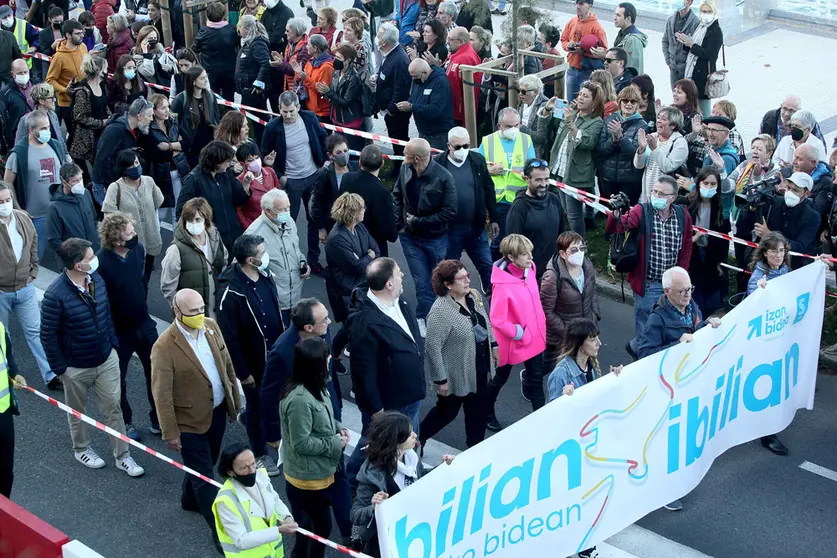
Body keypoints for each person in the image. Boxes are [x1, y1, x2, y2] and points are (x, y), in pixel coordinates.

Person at [41, 238, 145, 477]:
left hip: (106, 358)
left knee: (113, 408)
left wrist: (113, 345)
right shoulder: (55, 295)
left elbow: (105, 314)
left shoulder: (96, 280)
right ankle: (82, 449)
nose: (95, 259)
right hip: (75, 366)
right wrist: (61, 368)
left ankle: (123, 456)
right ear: (78, 265)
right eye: (90, 257)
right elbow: (48, 335)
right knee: (77, 412)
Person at [151, 288, 241, 549]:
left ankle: (188, 498)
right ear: (176, 312)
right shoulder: (164, 347)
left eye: (201, 309)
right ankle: (221, 533)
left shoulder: (211, 327)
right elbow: (162, 394)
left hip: (217, 412)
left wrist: (234, 402)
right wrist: (171, 432)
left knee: (207, 461)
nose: (199, 315)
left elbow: (226, 365)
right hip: (189, 422)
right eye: (193, 312)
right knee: (205, 479)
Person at [345, 258, 425, 484]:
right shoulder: (364, 321)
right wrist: (376, 409)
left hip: (410, 395)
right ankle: (353, 480)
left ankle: (407, 476)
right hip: (389, 403)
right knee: (373, 445)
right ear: (389, 283)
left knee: (407, 443)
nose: (403, 277)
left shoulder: (401, 302)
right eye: (399, 273)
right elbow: (363, 370)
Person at [217, 234, 284, 476]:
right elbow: (230, 337)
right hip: (253, 363)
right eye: (262, 252)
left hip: (274, 355)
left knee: (273, 401)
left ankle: (268, 433)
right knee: (257, 405)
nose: (266, 256)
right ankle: (259, 453)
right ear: (249, 259)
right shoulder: (230, 292)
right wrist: (242, 372)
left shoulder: (265, 275)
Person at [606, 175, 693, 358]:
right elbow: (624, 225)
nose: (656, 195)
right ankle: (642, 360)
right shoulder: (642, 210)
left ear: (673, 198)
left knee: (670, 325)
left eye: (661, 193)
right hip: (650, 283)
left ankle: (651, 354)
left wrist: (681, 273)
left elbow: (686, 245)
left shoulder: (682, 215)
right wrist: (616, 214)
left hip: (672, 285)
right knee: (646, 329)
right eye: (654, 191)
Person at [279, 336, 350, 558]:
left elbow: (323, 417)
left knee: (308, 526)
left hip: (322, 470)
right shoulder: (299, 400)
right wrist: (335, 443)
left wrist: (337, 427)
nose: (330, 359)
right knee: (320, 529)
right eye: (326, 357)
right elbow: (301, 443)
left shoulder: (316, 385)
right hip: (308, 478)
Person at [96, 212, 160, 440]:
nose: (135, 236)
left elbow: (141, 282)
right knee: (118, 380)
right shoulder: (101, 262)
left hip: (144, 324)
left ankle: (158, 419)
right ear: (116, 239)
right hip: (119, 332)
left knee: (156, 374)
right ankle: (127, 422)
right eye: (130, 233)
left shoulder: (138, 250)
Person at [352, 413, 453, 556]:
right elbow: (356, 514)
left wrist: (442, 467)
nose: (415, 435)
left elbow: (420, 478)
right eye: (409, 434)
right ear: (396, 441)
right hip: (385, 542)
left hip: (414, 532)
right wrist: (374, 507)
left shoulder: (411, 457)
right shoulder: (372, 474)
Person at [419, 260, 494, 448]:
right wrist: (440, 379)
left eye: (467, 275)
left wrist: (494, 346)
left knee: (478, 413)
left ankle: (475, 450)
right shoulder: (440, 311)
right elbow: (432, 346)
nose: (468, 280)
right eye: (462, 278)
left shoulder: (474, 295)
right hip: (455, 374)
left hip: (479, 367)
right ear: (448, 284)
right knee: (446, 413)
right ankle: (418, 439)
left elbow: (486, 320)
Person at [393, 138, 457, 333]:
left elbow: (450, 212)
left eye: (406, 154)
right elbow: (397, 194)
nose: (403, 157)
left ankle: (440, 316)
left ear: (417, 158)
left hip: (435, 239)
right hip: (410, 238)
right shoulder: (405, 170)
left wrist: (418, 222)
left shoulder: (444, 177)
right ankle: (426, 318)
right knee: (421, 282)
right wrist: (401, 224)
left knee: (437, 280)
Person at [261, 91, 327, 272]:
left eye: (291, 111)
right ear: (279, 110)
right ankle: (288, 260)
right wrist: (280, 174)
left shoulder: (309, 119)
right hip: (291, 182)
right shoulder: (273, 128)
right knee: (287, 222)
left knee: (313, 219)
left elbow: (322, 137)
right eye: (284, 112)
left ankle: (313, 260)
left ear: (298, 107)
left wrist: (324, 160)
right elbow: (265, 152)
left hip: (313, 176)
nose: (288, 116)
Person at [486, 234, 546, 429]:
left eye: (530, 253)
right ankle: (486, 412)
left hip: (534, 337)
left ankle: (542, 422)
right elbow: (497, 319)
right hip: (513, 341)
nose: (530, 258)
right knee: (500, 378)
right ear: (511, 257)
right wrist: (520, 333)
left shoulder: (530, 269)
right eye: (524, 254)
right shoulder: (502, 287)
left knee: (536, 381)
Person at [0, 183, 56, 389]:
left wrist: (33, 270)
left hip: (25, 287)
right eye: (0, 202)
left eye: (7, 200)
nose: (5, 205)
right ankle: (7, 374)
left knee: (36, 331)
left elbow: (33, 243)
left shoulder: (22, 218)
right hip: (1, 291)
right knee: (2, 336)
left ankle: (50, 374)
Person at [537, 81, 605, 236]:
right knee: (567, 210)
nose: (580, 98)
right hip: (559, 169)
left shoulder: (596, 122)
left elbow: (587, 142)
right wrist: (548, 108)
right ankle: (571, 242)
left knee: (573, 214)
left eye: (586, 96)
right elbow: (545, 123)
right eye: (580, 94)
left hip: (575, 174)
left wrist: (570, 122)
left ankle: (580, 246)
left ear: (594, 102)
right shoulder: (571, 112)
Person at [744, 232, 792, 455]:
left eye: (782, 251)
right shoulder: (759, 276)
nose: (779, 255)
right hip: (763, 341)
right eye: (774, 251)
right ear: (765, 252)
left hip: (780, 337)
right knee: (766, 384)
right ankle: (767, 433)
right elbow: (753, 301)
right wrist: (760, 294)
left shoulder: (785, 271)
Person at [433, 127, 496, 292]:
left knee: (487, 266)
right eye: (458, 147)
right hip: (450, 230)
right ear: (449, 146)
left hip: (475, 227)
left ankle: (492, 301)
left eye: (466, 146)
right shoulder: (438, 164)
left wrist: (494, 218)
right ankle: (452, 302)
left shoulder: (477, 160)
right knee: (450, 271)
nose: (463, 151)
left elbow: (488, 189)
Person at [212, 443, 298, 557]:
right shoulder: (225, 501)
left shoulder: (261, 477)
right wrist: (278, 530)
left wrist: (286, 517)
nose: (252, 470)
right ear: (230, 472)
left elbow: (275, 500)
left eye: (253, 464)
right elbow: (241, 540)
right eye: (244, 468)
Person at [4, 110, 69, 259]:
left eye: (48, 127)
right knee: (34, 255)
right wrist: (19, 210)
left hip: (58, 210)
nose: (47, 131)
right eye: (43, 128)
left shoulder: (56, 146)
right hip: (35, 216)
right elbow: (7, 185)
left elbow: (65, 172)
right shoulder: (18, 154)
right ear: (31, 130)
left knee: (65, 254)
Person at [478, 107, 536, 260]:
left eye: (516, 125)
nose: (513, 129)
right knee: (501, 242)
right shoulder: (488, 141)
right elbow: (477, 167)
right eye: (508, 126)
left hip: (520, 198)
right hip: (499, 200)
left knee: (519, 242)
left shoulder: (526, 139)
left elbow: (531, 165)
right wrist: (490, 171)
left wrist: (528, 174)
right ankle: (494, 275)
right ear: (499, 126)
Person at [244, 189, 309, 329]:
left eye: (288, 207)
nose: (287, 212)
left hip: (295, 298)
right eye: (282, 209)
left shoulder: (289, 222)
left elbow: (295, 249)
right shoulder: (254, 235)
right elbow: (244, 270)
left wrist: (303, 262)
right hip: (274, 303)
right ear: (268, 211)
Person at [540, 231, 601, 372]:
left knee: (584, 366)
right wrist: (568, 333)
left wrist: (594, 318)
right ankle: (530, 379)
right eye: (574, 250)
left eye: (582, 248)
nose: (579, 253)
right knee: (549, 367)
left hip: (584, 332)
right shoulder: (552, 277)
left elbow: (592, 294)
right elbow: (547, 311)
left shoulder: (587, 266)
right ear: (563, 254)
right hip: (561, 337)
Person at [177, 140, 250, 256]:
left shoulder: (226, 174)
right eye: (227, 161)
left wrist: (246, 185)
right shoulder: (194, 180)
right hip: (211, 238)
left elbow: (239, 199)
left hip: (234, 234)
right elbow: (182, 211)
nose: (230, 163)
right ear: (217, 162)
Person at [101, 150, 164, 285]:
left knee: (145, 278)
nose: (135, 167)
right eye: (130, 165)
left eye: (136, 162)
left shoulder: (148, 181)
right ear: (123, 168)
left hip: (151, 239)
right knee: (133, 280)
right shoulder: (115, 188)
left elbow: (158, 201)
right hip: (130, 244)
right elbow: (109, 217)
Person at [161, 197, 228, 316]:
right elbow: (168, 287)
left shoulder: (214, 238)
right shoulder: (176, 250)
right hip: (194, 314)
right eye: (189, 220)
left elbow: (224, 262)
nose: (193, 224)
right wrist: (182, 311)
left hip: (217, 309)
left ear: (206, 220)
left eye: (198, 219)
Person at [505, 159, 565, 281]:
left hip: (554, 270)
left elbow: (561, 234)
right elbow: (513, 246)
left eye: (546, 179)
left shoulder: (554, 200)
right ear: (527, 179)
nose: (543, 184)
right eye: (538, 180)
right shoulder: (519, 208)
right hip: (531, 275)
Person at [748, 172, 820, 268]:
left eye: (795, 190)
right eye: (788, 188)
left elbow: (801, 246)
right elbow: (746, 225)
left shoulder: (812, 216)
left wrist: (770, 235)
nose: (790, 192)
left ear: (806, 194)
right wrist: (751, 210)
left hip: (790, 266)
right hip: (764, 261)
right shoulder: (773, 202)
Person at [683, 166, 728, 316]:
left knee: (710, 304)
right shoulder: (686, 204)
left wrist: (720, 263)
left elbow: (724, 240)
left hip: (711, 260)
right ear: (699, 184)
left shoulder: (720, 208)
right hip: (691, 257)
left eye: (713, 184)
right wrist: (692, 240)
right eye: (705, 183)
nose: (709, 187)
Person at [339, 145, 398, 257]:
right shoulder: (382, 192)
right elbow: (389, 232)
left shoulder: (347, 178)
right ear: (382, 164)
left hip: (348, 240)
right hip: (373, 247)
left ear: (360, 162)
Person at [92, 97, 153, 205]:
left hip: (120, 183)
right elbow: (102, 160)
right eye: (149, 115)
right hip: (106, 186)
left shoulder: (136, 130)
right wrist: (110, 186)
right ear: (140, 116)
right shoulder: (115, 130)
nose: (151, 119)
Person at [547, 318, 621, 403]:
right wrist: (562, 398)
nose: (599, 343)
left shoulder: (592, 365)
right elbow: (552, 411)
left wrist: (612, 377)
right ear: (579, 345)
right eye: (593, 340)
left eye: (598, 338)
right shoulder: (560, 373)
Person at [595, 85, 646, 204]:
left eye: (633, 101)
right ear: (619, 102)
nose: (629, 104)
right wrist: (613, 140)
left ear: (637, 104)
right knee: (608, 213)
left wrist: (620, 137)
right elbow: (600, 149)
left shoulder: (642, 125)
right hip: (608, 177)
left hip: (630, 180)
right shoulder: (609, 120)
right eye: (625, 100)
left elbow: (636, 155)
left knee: (626, 215)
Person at [141, 93, 186, 219]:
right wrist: (177, 146)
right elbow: (158, 154)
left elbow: (187, 144)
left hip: (177, 171)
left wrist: (169, 146)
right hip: (159, 175)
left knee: (177, 211)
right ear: (153, 111)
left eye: (168, 107)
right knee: (159, 213)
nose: (167, 111)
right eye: (162, 108)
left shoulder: (173, 122)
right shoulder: (148, 129)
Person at [374, 23, 411, 171]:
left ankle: (400, 169)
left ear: (384, 42)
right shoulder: (390, 54)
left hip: (396, 113)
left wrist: (391, 109)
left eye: (378, 36)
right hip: (390, 110)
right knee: (395, 139)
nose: (376, 38)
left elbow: (401, 89)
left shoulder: (399, 59)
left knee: (399, 141)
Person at [68, 54, 111, 179]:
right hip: (86, 138)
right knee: (89, 174)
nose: (107, 71)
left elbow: (105, 105)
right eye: (105, 68)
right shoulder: (83, 91)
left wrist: (110, 117)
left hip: (103, 133)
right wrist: (102, 123)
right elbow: (79, 117)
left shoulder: (103, 86)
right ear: (98, 70)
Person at [634, 106, 688, 202]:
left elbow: (667, 167)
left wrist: (654, 148)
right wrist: (641, 149)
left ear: (673, 125)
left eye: (663, 119)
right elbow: (639, 165)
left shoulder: (680, 142)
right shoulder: (653, 137)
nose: (658, 121)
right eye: (658, 117)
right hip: (647, 189)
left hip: (665, 193)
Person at [677, 0, 722, 116]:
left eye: (709, 11)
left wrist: (692, 45)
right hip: (692, 72)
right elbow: (693, 48)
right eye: (703, 11)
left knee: (703, 109)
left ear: (714, 12)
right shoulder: (700, 27)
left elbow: (709, 54)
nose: (706, 14)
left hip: (704, 76)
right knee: (691, 106)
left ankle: (706, 130)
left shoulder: (715, 30)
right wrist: (686, 42)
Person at [312, 134, 359, 242]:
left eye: (345, 151)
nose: (343, 154)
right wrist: (321, 228)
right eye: (339, 152)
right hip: (333, 224)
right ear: (330, 155)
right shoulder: (325, 174)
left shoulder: (356, 169)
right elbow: (317, 203)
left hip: (354, 224)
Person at [172, 65, 221, 168]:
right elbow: (173, 124)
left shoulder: (210, 97)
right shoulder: (181, 100)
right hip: (191, 150)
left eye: (206, 77)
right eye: (202, 78)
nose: (206, 80)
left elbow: (216, 119)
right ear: (193, 81)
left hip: (209, 147)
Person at [46, 163, 100, 255]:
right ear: (64, 183)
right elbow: (54, 240)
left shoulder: (85, 194)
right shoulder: (55, 207)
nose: (80, 183)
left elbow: (94, 220)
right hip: (75, 259)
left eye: (81, 179)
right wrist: (71, 256)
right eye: (75, 181)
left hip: (94, 252)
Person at [400, 58, 453, 151]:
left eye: (415, 76)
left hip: (438, 134)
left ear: (424, 72)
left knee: (436, 162)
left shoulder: (440, 82)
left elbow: (435, 110)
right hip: (423, 131)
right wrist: (408, 103)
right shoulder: (419, 79)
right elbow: (414, 97)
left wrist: (411, 107)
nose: (413, 79)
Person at [234, 15, 272, 145]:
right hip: (247, 88)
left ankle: (261, 144)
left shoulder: (257, 43)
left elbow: (266, 63)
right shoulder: (249, 42)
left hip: (253, 91)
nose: (238, 31)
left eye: (240, 28)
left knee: (257, 121)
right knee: (253, 120)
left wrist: (258, 84)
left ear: (247, 28)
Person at [561, 0, 607, 102]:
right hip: (572, 69)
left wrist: (584, 52)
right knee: (571, 103)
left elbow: (604, 51)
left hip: (587, 71)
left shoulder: (597, 28)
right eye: (576, 3)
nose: (578, 6)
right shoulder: (572, 21)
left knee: (586, 103)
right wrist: (568, 46)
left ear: (589, 6)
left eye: (581, 4)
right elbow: (564, 39)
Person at [0, 319, 26, 497]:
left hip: (3, 412)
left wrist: (15, 373)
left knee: (5, 472)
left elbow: (6, 356)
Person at [320, 44, 365, 150]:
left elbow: (345, 101)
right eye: (335, 57)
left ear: (347, 61)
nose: (335, 60)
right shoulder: (336, 72)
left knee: (352, 151)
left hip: (350, 121)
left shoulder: (353, 77)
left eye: (339, 58)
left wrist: (329, 92)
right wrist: (325, 93)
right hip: (337, 119)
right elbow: (334, 93)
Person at [193, 2, 238, 102]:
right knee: (229, 98)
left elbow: (195, 48)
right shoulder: (232, 30)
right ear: (223, 14)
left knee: (212, 98)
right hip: (229, 70)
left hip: (211, 71)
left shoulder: (203, 31)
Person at [12, 82, 69, 163]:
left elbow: (59, 138)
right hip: (37, 161)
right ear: (42, 101)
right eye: (52, 98)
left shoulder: (53, 115)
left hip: (56, 158)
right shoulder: (26, 119)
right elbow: (19, 144)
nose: (54, 100)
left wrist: (66, 155)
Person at [45, 19, 87, 128]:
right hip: (67, 104)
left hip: (84, 100)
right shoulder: (59, 57)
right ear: (68, 35)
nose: (82, 35)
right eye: (78, 33)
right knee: (74, 135)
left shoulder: (83, 47)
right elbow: (50, 80)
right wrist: (65, 90)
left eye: (82, 32)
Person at [234, 141, 280, 230]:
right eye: (250, 160)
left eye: (257, 157)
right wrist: (249, 228)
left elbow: (279, 195)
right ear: (243, 164)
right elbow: (238, 211)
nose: (256, 162)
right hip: (256, 227)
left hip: (275, 221)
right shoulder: (239, 181)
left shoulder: (270, 172)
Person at [760, 95, 827, 149]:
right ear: (781, 106)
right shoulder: (769, 118)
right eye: (784, 108)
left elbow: (821, 149)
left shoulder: (808, 123)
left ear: (798, 111)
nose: (786, 113)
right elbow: (759, 144)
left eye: (791, 110)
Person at [294, 33, 333, 123]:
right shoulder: (311, 61)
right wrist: (298, 73)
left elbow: (321, 89)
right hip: (310, 108)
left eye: (308, 44)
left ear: (315, 48)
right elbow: (303, 81)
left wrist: (305, 78)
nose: (306, 46)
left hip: (322, 113)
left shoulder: (327, 67)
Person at [271, 17, 309, 106]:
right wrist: (281, 61)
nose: (285, 33)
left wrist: (281, 64)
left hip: (300, 91)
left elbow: (297, 72)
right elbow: (288, 64)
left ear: (297, 32)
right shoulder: (290, 44)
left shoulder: (305, 48)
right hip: (289, 87)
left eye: (288, 31)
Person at [791, 143, 834, 219]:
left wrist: (796, 195)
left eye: (799, 159)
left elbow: (818, 211)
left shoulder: (825, 182)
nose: (793, 162)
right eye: (795, 157)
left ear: (812, 163)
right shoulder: (792, 171)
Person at [662, 0, 699, 87]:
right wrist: (668, 60)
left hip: (687, 69)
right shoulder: (670, 20)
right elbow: (665, 41)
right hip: (673, 68)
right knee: (675, 95)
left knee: (687, 96)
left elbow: (697, 47)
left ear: (690, 2)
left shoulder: (695, 22)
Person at [516, 75, 551, 160]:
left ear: (535, 92)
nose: (520, 94)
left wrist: (520, 128)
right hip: (520, 148)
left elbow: (541, 138)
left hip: (536, 153)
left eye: (523, 91)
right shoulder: (522, 103)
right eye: (519, 90)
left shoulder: (544, 106)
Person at [2, 60, 33, 149]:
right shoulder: (6, 93)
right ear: (13, 74)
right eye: (20, 73)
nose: (23, 75)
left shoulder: (37, 85)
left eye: (25, 72)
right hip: (18, 135)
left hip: (36, 132)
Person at [611, 2, 647, 74]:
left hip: (626, 82)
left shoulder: (633, 40)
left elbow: (631, 68)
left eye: (618, 15)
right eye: (615, 14)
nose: (614, 18)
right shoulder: (622, 33)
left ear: (628, 18)